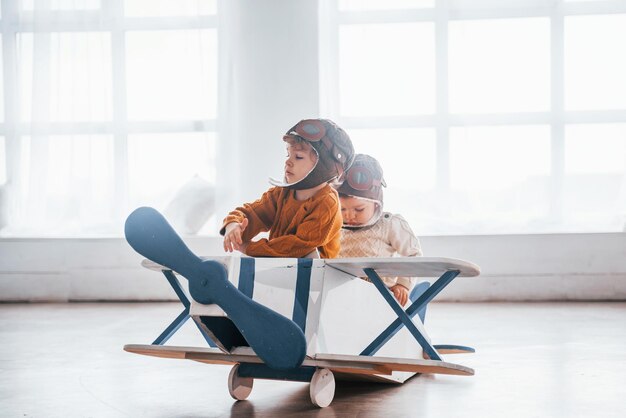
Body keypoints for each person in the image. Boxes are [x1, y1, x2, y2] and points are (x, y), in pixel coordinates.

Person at [221, 118, 355, 258]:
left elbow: (297, 246)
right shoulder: (281, 193)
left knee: (310, 253)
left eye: (298, 157)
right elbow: (255, 213)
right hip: (285, 268)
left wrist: (250, 248)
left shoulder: (327, 203)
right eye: (288, 154)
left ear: (324, 165)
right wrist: (234, 225)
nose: (287, 162)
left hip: (319, 275)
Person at [336, 154, 428, 308]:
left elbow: (413, 254)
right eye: (342, 209)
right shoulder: (335, 226)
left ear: (377, 204)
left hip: (383, 296)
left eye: (359, 209)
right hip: (344, 295)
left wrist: (403, 285)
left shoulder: (389, 224)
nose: (349, 215)